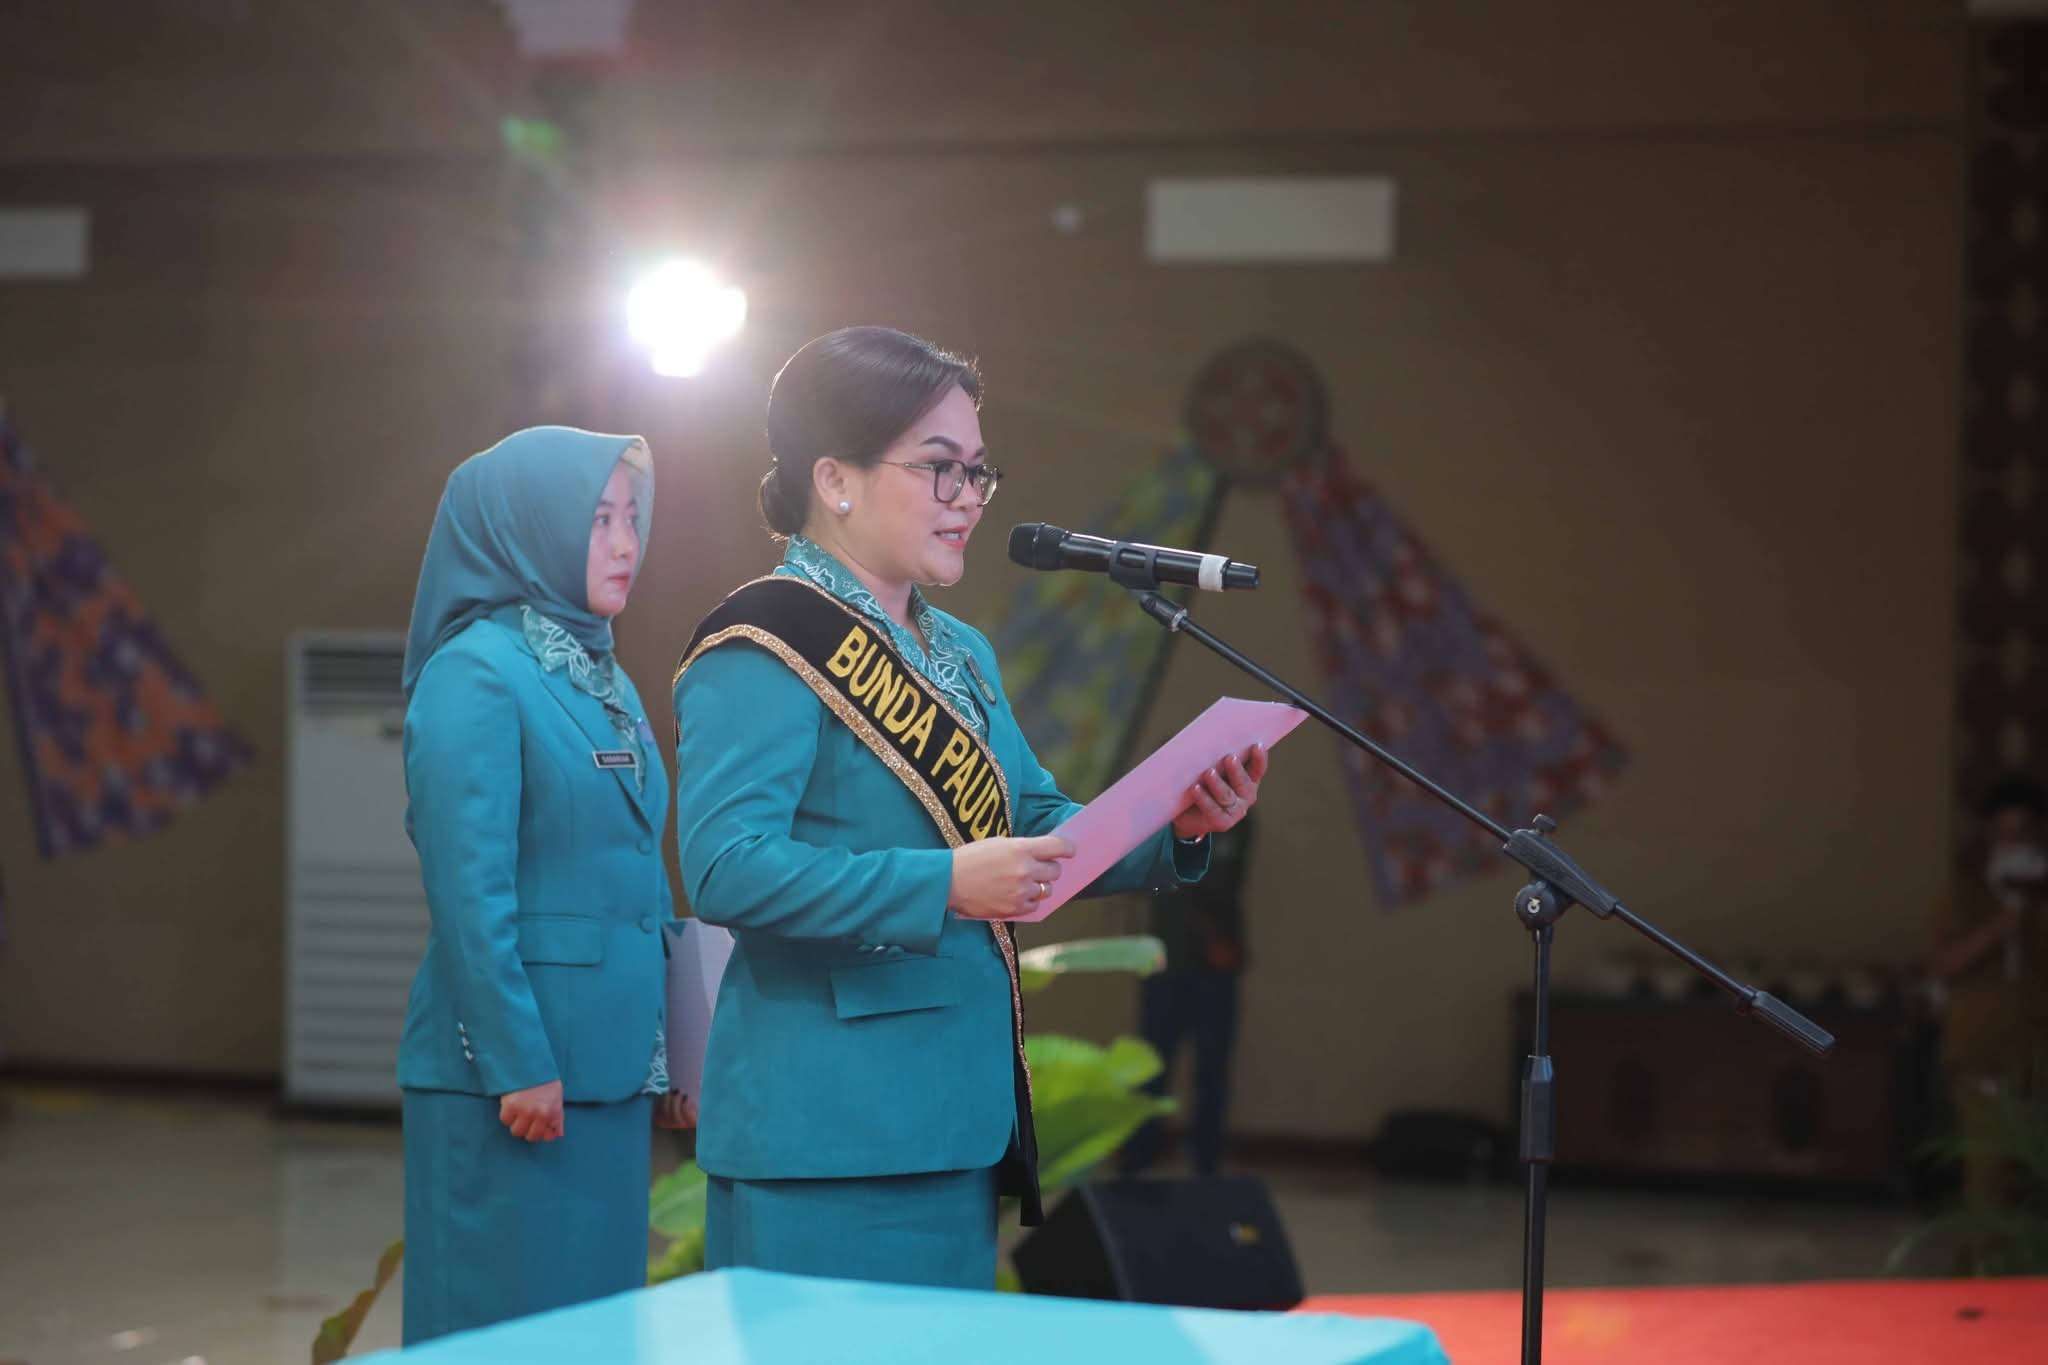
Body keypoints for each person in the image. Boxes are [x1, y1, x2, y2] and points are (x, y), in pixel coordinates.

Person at [671, 326, 1268, 1290]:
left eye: (978, 472)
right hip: (828, 1130)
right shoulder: (761, 642)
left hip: (956, 1117)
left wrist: (1178, 825)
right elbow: (726, 867)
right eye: (939, 467)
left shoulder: (959, 650)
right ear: (836, 479)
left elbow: (1035, 819)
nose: (969, 499)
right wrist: (944, 882)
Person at [396, 427, 690, 1345]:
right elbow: (467, 891)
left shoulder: (602, 677)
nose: (625, 543)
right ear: (528, 527)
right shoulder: (474, 673)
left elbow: (635, 870)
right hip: (517, 1082)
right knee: (497, 1333)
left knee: (590, 1337)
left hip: (607, 1077)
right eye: (597, 519)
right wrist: (518, 1059)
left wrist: (680, 1047)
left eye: (632, 518)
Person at [1931, 773, 2048, 1217]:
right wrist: (2001, 926)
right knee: (1986, 1163)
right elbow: (1943, 964)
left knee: (2032, 1166)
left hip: (2036, 1045)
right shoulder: (1964, 893)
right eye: (2004, 833)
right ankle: (1984, 1255)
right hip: (1979, 1045)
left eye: (2023, 833)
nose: (2013, 843)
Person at [1121, 808, 1256, 1178]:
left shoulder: (1240, 816)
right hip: (1169, 960)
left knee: (1212, 1072)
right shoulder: (1163, 811)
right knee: (1152, 1066)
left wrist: (1222, 939)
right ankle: (1136, 1164)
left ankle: (1206, 1167)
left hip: (1217, 966)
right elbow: (1165, 877)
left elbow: (1228, 883)